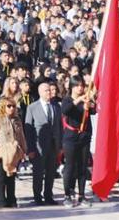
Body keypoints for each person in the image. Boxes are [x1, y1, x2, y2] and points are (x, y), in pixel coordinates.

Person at [24, 82, 62, 206]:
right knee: (38, 173)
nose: (49, 92)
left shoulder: (55, 107)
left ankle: (48, 195)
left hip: (52, 145)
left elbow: (59, 127)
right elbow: (28, 130)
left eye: (50, 90)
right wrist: (30, 148)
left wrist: (60, 146)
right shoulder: (32, 107)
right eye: (46, 90)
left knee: (51, 172)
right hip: (38, 146)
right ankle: (37, 196)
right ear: (40, 92)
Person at [60, 76, 94, 208]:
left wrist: (90, 104)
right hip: (71, 136)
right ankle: (67, 194)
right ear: (72, 87)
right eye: (77, 85)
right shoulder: (67, 100)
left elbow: (94, 110)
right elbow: (66, 110)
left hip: (84, 136)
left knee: (82, 166)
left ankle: (81, 195)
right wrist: (78, 100)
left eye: (81, 85)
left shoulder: (86, 98)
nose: (80, 88)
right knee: (70, 166)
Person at [0, 97, 26, 208]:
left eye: (13, 106)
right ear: (3, 107)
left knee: (12, 176)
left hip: (14, 151)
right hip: (2, 151)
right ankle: (1, 200)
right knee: (1, 177)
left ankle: (11, 199)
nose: (11, 108)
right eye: (9, 106)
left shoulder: (17, 119)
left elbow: (21, 136)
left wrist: (24, 150)